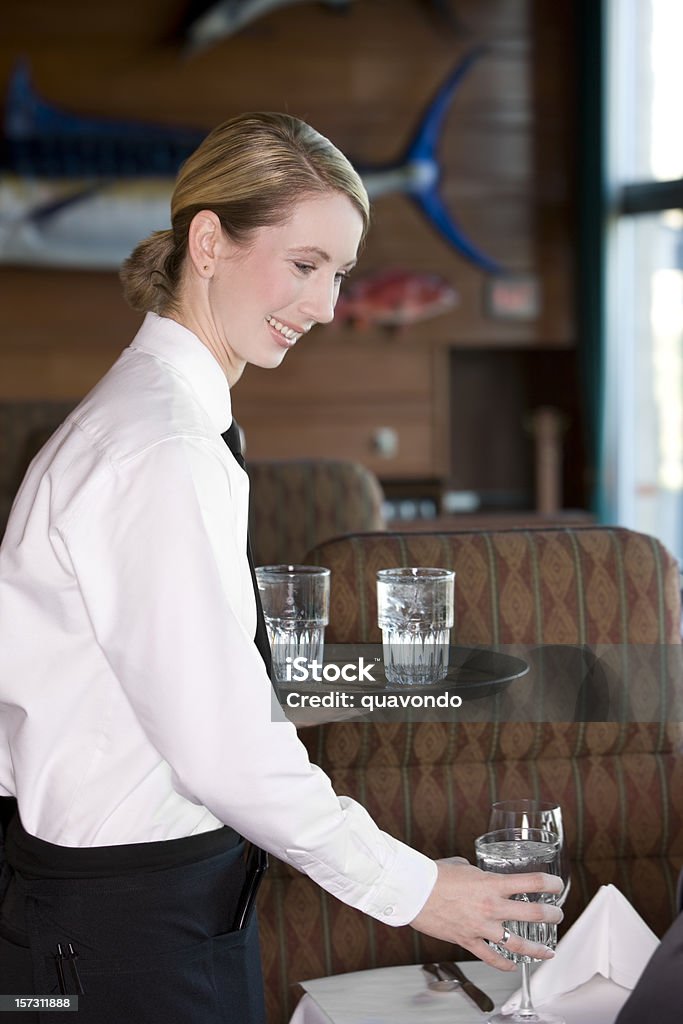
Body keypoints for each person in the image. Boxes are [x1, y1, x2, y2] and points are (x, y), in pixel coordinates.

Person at [0, 112, 562, 1023]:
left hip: (126, 897)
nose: (329, 305)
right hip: (127, 922)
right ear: (209, 240)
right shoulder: (161, 445)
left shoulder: (164, 418)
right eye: (305, 265)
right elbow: (222, 740)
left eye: (339, 274)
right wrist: (420, 892)